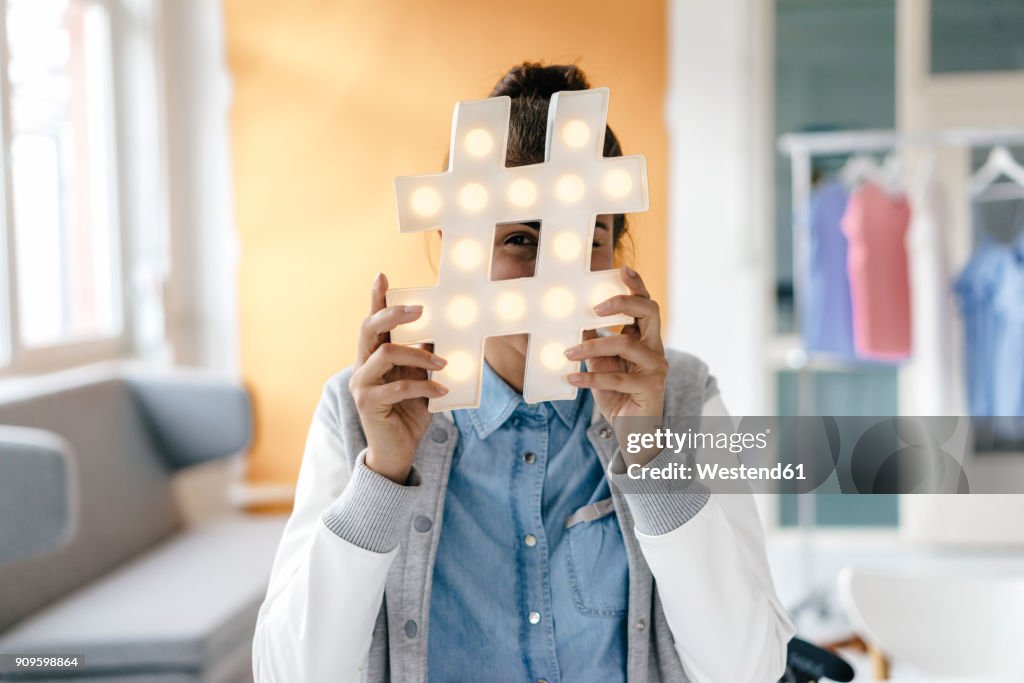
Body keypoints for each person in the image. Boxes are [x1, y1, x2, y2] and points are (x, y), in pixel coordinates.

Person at [252, 62, 795, 683]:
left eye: (587, 237)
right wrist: (381, 478)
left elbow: (748, 669)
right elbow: (289, 674)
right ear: (458, 244)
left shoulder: (684, 396)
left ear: (617, 254)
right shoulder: (361, 412)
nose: (551, 274)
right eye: (520, 239)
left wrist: (649, 458)